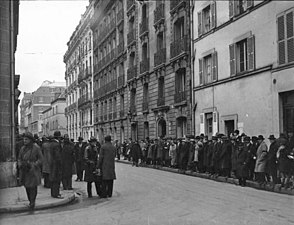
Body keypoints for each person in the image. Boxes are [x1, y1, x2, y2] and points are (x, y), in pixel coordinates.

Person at [18, 132, 43, 210]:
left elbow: (41, 159)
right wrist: (20, 164)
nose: (24, 141)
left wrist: (34, 164)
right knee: (27, 187)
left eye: (26, 139)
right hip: (25, 171)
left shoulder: (36, 148)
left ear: (31, 140)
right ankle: (30, 200)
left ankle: (32, 202)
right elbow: (19, 158)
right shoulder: (22, 148)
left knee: (33, 187)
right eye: (24, 139)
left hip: (33, 171)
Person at [50, 131, 63, 198]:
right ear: (58, 137)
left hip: (52, 163)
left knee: (53, 179)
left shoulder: (51, 143)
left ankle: (53, 193)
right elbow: (58, 156)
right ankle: (56, 193)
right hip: (56, 164)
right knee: (57, 179)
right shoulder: (57, 145)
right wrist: (60, 163)